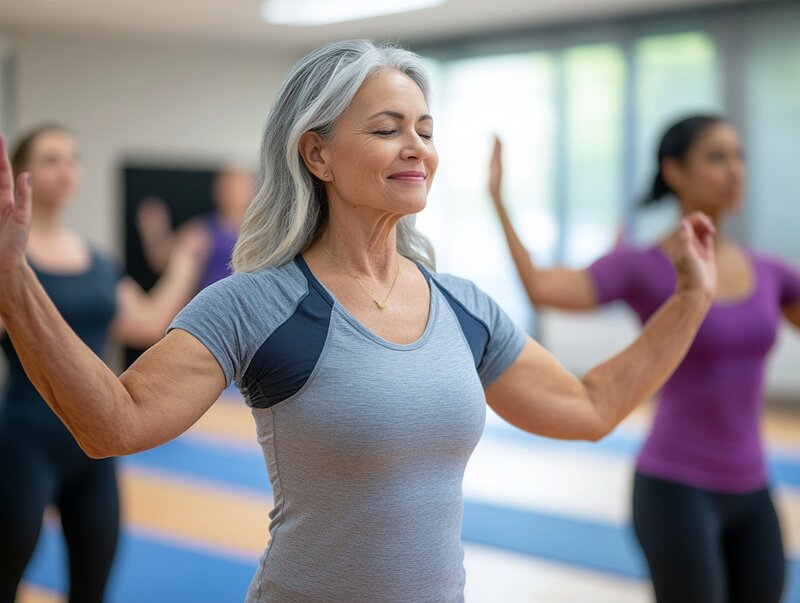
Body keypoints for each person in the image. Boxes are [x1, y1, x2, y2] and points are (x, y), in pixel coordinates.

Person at [0, 42, 716, 603]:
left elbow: (590, 407)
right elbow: (114, 423)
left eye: (425, 129)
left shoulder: (464, 307)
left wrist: (688, 301)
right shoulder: (259, 302)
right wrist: (13, 277)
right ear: (317, 153)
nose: (417, 147)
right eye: (386, 128)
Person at [488, 117, 800, 603]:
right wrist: (499, 202)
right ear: (674, 171)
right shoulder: (643, 266)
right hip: (675, 487)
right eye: (717, 157)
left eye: (739, 156)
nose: (736, 171)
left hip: (754, 487)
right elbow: (542, 289)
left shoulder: (771, 272)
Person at [0, 124, 203, 603]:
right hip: (25, 440)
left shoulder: (97, 261)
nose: (66, 169)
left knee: (93, 589)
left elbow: (149, 323)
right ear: (21, 173)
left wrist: (183, 265)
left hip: (94, 445)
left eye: (73, 158)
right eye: (51, 159)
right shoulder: (9, 262)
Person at [136, 164, 254, 291]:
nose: (235, 190)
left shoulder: (259, 231)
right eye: (229, 185)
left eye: (241, 184)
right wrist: (154, 231)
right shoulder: (203, 231)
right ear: (218, 190)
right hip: (211, 304)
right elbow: (161, 259)